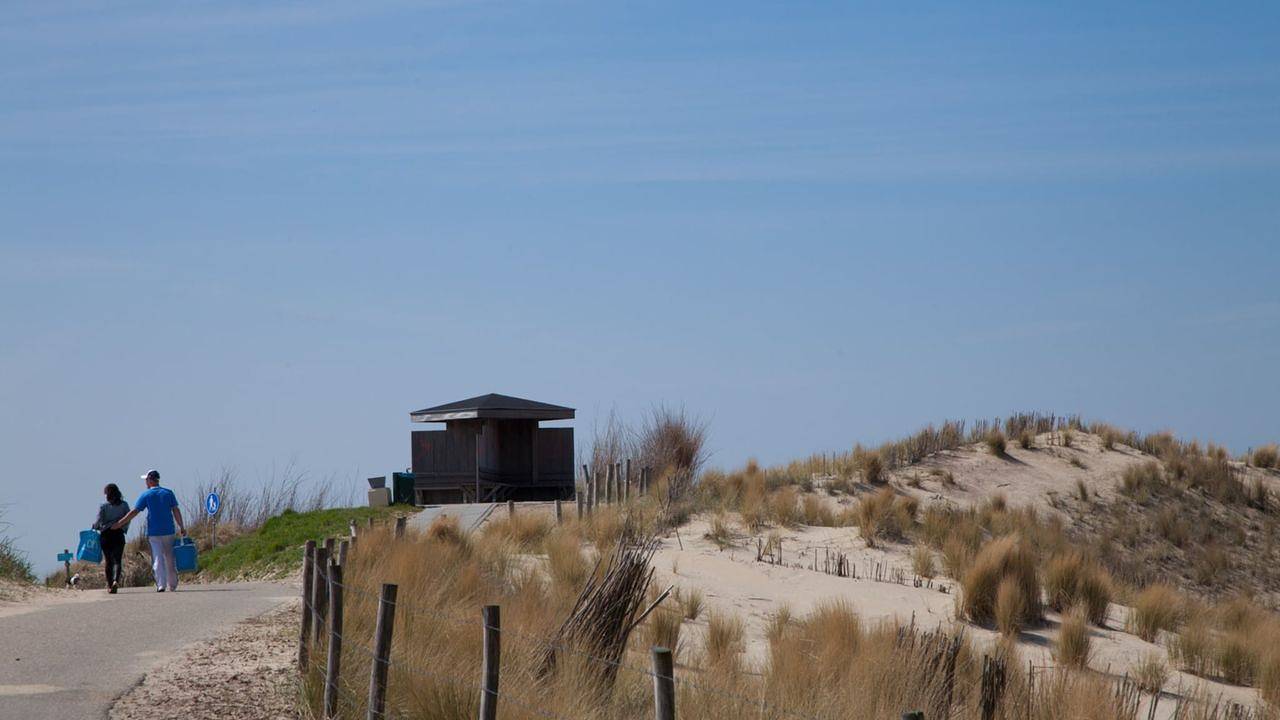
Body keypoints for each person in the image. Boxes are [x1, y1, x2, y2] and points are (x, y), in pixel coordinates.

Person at [112, 470, 186, 592]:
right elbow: (176, 510)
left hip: (154, 532)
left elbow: (135, 511)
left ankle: (161, 585)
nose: (145, 482)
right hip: (169, 530)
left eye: (146, 480)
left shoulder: (146, 495)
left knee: (157, 558)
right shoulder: (168, 493)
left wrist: (120, 523)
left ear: (150, 480)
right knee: (169, 558)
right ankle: (172, 584)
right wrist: (181, 526)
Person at [93, 483, 130, 593]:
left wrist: (95, 526)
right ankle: (116, 581)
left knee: (108, 561)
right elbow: (128, 518)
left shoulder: (103, 506)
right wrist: (123, 528)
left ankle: (110, 585)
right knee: (118, 560)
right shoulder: (124, 505)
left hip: (106, 535)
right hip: (118, 533)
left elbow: (99, 521)